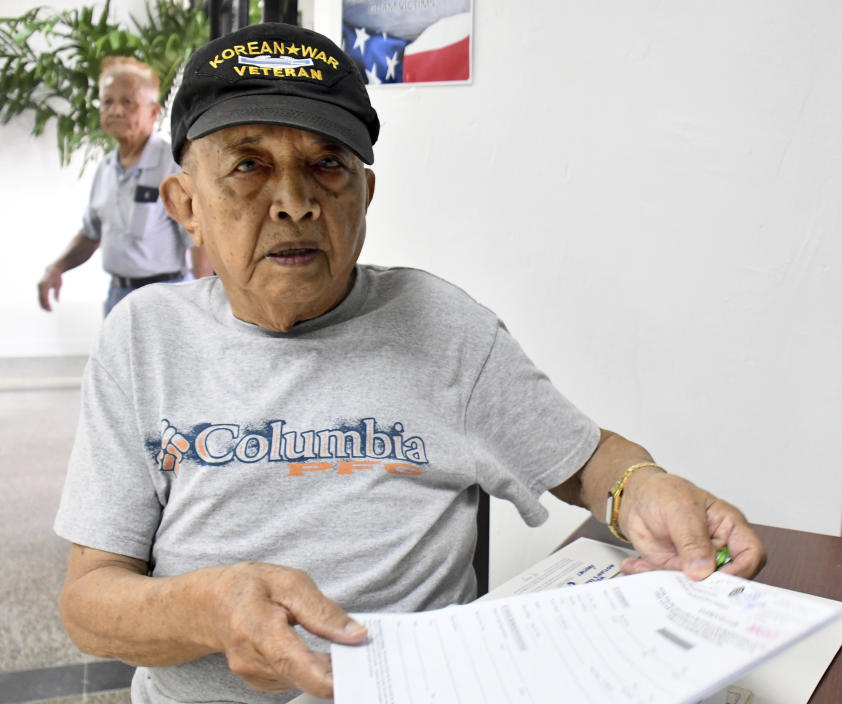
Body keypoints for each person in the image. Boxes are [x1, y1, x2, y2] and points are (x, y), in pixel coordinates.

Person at [54, 23, 766, 703]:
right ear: (186, 205)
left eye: (326, 165)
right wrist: (207, 607)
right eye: (248, 166)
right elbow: (89, 603)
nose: (296, 203)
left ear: (364, 194)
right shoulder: (143, 340)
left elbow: (592, 464)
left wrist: (643, 485)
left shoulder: (442, 326)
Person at [37, 57, 210, 318]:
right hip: (116, 297)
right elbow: (91, 234)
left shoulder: (172, 165)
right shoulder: (105, 169)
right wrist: (57, 268)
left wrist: (202, 307)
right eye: (107, 102)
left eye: (127, 102)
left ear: (153, 112)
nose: (115, 110)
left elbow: (200, 239)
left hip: (166, 297)